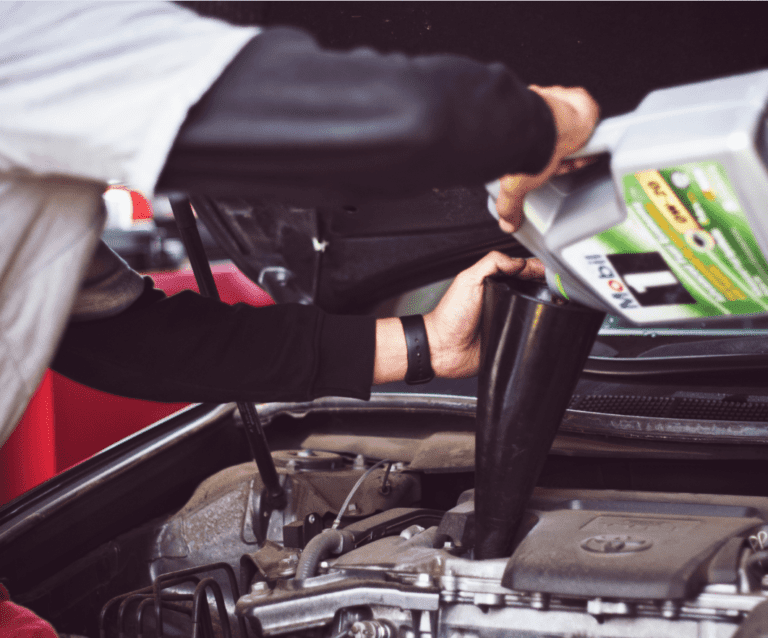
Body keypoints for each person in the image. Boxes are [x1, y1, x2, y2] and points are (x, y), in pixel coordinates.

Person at [0, 2, 597, 631]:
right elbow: (396, 117)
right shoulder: (29, 32)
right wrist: (553, 121)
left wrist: (424, 345)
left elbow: (119, 337)